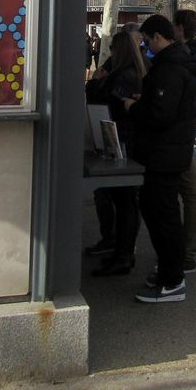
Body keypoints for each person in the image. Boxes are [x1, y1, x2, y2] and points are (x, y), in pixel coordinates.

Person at [122, 14, 196, 304]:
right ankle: (171, 272)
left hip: (164, 152)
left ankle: (172, 281)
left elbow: (161, 114)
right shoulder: (181, 64)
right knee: (160, 212)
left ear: (158, 36)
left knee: (163, 216)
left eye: (146, 41)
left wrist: (133, 107)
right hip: (172, 150)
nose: (145, 47)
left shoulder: (170, 68)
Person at [84, 30, 145, 275]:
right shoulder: (137, 72)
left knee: (123, 200)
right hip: (125, 138)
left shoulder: (121, 75)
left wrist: (97, 79)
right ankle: (121, 250)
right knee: (125, 200)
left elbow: (97, 95)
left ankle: (122, 252)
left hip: (120, 139)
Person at [171, 8, 196, 274]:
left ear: (180, 28)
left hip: (178, 135)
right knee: (189, 192)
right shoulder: (195, 58)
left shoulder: (182, 60)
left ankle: (186, 253)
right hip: (186, 131)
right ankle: (186, 251)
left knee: (188, 192)